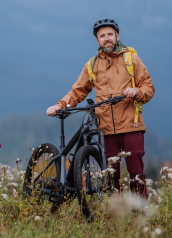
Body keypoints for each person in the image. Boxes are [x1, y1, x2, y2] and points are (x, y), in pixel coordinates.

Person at [46, 19, 154, 198]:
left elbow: (148, 89)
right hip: (105, 130)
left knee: (137, 175)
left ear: (117, 36)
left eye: (110, 34)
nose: (107, 39)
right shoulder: (92, 65)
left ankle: (139, 218)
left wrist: (136, 91)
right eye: (102, 36)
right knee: (111, 177)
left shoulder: (131, 59)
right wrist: (59, 105)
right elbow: (77, 91)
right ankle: (116, 219)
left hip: (131, 126)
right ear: (97, 40)